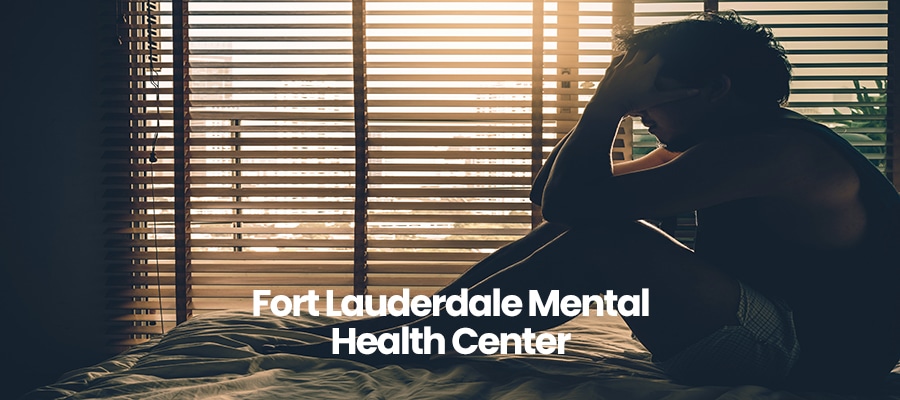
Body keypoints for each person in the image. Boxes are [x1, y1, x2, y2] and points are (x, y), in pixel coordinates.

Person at [264, 12, 900, 393]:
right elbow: (559, 201)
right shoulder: (719, 144)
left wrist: (603, 108)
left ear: (713, 90)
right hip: (774, 331)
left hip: (810, 359)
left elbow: (576, 205)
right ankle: (415, 334)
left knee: (606, 238)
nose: (643, 114)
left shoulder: (778, 152)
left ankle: (414, 339)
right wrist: (604, 108)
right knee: (587, 227)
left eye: (649, 96)